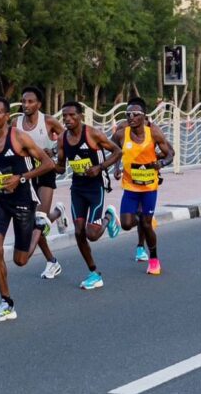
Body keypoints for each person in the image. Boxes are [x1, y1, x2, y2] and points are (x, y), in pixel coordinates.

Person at [0, 96, 54, 322]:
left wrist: (22, 178)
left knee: (21, 260)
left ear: (7, 116)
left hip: (23, 200)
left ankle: (40, 224)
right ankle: (6, 302)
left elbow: (48, 164)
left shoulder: (19, 138)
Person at [54, 101, 122, 290]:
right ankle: (93, 272)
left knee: (92, 234)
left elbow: (118, 151)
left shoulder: (92, 134)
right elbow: (60, 167)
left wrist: (99, 167)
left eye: (72, 115)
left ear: (80, 116)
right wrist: (45, 161)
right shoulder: (62, 139)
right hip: (77, 188)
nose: (67, 119)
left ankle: (109, 216)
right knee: (78, 231)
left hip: (96, 185)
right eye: (64, 116)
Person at [112, 97, 175, 276]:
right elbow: (113, 148)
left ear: (143, 116)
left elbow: (170, 153)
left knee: (147, 226)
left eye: (135, 114)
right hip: (130, 187)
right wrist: (116, 168)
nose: (130, 117)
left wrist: (161, 163)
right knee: (125, 224)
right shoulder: (121, 133)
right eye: (128, 114)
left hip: (149, 188)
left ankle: (154, 259)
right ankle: (141, 218)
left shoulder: (153, 133)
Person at [15, 86, 67, 279]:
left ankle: (31, 254)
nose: (26, 105)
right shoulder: (16, 122)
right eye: (23, 101)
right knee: (33, 222)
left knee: (38, 221)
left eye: (30, 102)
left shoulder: (48, 121)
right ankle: (52, 261)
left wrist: (53, 153)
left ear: (39, 104)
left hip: (45, 172)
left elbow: (67, 139)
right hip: (26, 175)